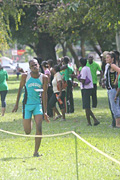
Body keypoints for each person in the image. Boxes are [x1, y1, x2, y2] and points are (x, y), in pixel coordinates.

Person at [12, 59, 49, 157]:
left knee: (39, 128)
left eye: (36, 65)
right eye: (32, 66)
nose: (34, 67)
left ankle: (36, 152)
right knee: (27, 131)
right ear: (30, 67)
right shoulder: (25, 76)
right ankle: (30, 121)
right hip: (27, 105)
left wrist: (45, 112)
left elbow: (45, 94)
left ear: (39, 65)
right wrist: (16, 104)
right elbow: (20, 89)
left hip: (38, 105)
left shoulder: (44, 78)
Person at [78, 58, 100, 126]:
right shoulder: (87, 68)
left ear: (80, 63)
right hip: (89, 88)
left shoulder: (83, 69)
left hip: (86, 89)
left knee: (86, 106)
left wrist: (77, 77)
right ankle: (90, 122)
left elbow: (83, 80)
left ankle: (94, 120)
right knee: (86, 106)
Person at [105, 52, 120, 128]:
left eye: (108, 57)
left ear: (112, 59)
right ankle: (116, 123)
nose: (106, 59)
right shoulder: (109, 66)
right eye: (106, 57)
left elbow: (119, 71)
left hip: (112, 89)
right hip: (110, 89)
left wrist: (116, 81)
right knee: (113, 106)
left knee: (115, 106)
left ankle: (118, 124)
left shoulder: (113, 65)